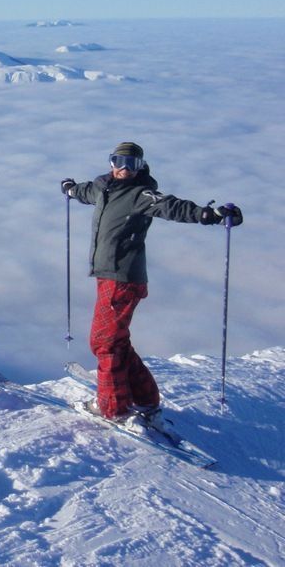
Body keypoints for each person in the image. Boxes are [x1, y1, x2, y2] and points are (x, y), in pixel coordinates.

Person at [60, 142, 243, 422]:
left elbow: (172, 207)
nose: (123, 169)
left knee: (104, 342)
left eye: (130, 164)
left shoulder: (141, 195)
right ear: (110, 163)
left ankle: (112, 408)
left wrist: (210, 215)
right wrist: (71, 189)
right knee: (117, 340)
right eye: (118, 161)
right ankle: (145, 399)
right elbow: (86, 192)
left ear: (140, 167)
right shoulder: (102, 188)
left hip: (123, 278)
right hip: (108, 275)